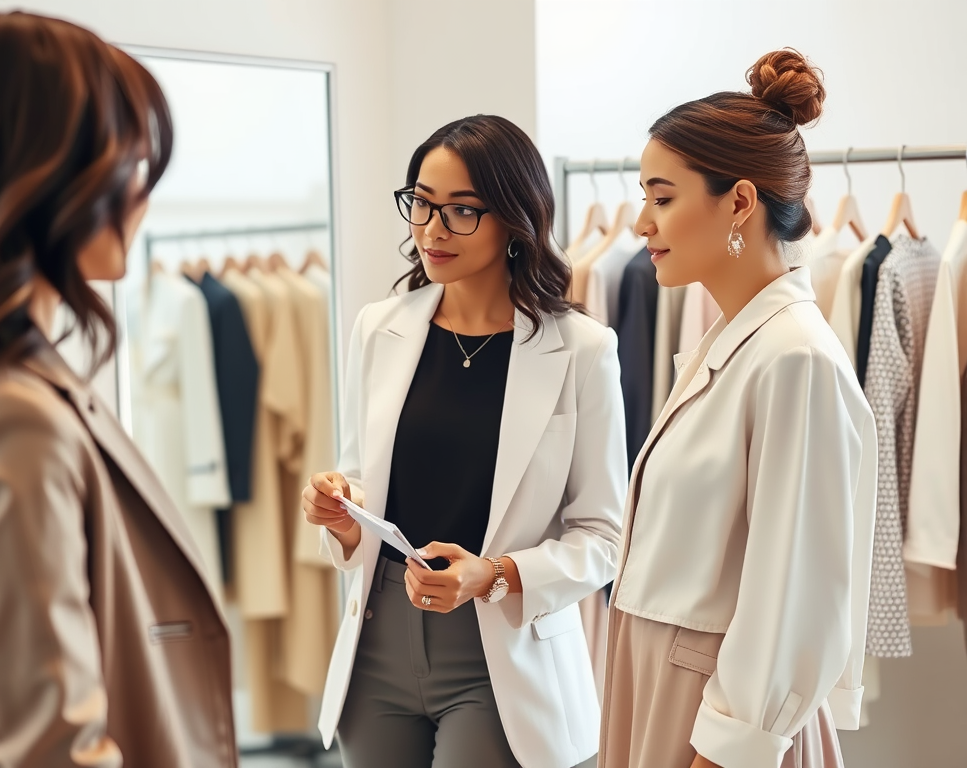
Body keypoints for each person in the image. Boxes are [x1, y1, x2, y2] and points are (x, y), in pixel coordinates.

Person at [0, 13, 236, 768]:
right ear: (46, 171)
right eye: (128, 158)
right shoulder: (14, 418)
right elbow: (52, 747)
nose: (142, 189)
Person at [302, 115, 627, 768]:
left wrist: (496, 576)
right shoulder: (379, 328)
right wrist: (340, 515)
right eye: (420, 203)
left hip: (503, 651)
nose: (431, 229)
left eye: (461, 212)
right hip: (379, 641)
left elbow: (604, 536)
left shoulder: (583, 350)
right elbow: (365, 479)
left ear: (514, 218)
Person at [600, 50, 878, 768]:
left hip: (714, 719)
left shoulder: (795, 359)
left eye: (662, 198)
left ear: (740, 202)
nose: (640, 223)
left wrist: (726, 749)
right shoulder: (736, 345)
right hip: (661, 685)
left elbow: (796, 589)